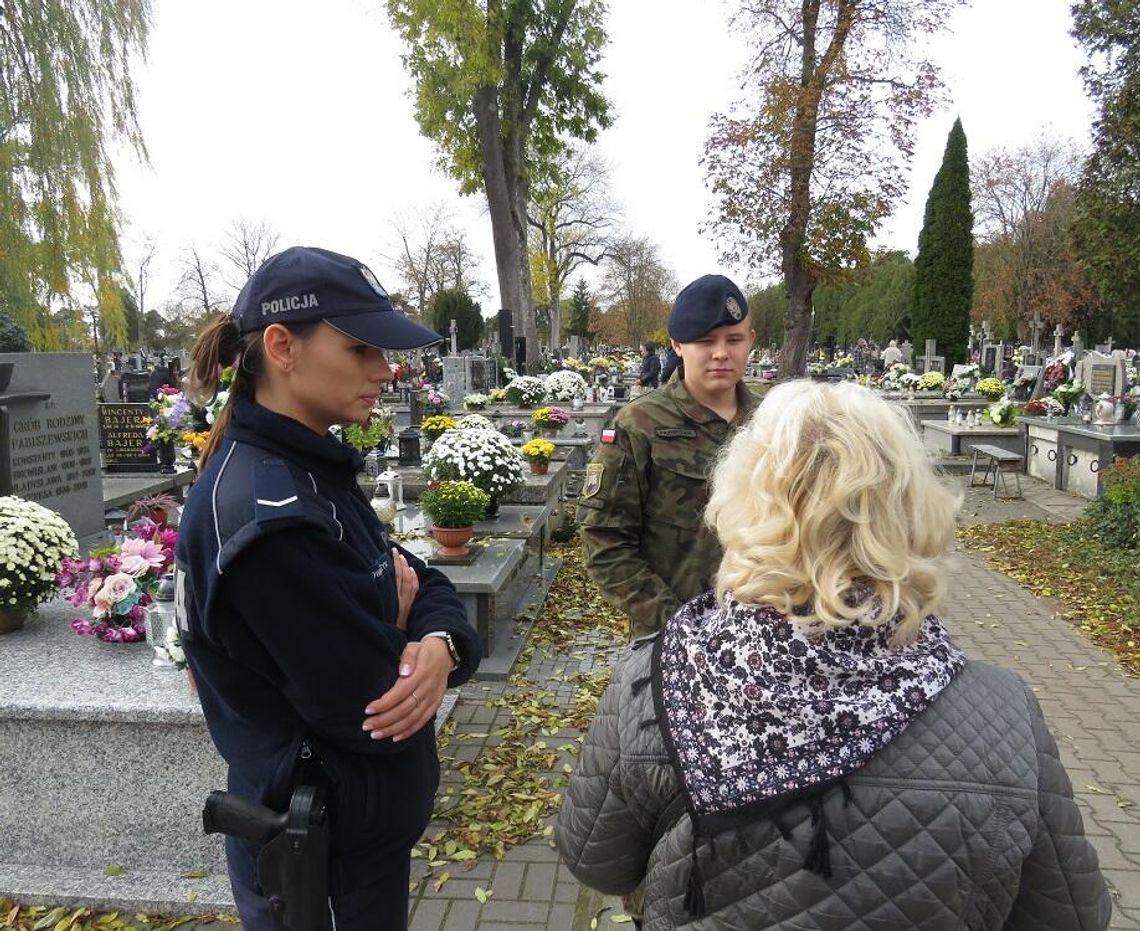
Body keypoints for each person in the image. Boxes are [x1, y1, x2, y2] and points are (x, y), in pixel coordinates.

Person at [558, 381, 1111, 930]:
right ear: (912, 508)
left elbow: (598, 862)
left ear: (742, 503)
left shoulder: (656, 682)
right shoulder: (1002, 713)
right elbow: (1071, 912)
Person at [174, 246, 481, 931]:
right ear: (282, 346)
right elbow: (371, 703)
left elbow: (418, 575)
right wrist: (405, 630)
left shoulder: (305, 468)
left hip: (353, 842)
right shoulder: (266, 516)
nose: (385, 369)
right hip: (319, 861)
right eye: (360, 348)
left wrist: (434, 638)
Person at [578, 274, 758, 641]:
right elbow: (604, 541)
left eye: (734, 340)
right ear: (677, 345)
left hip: (766, 639)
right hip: (671, 639)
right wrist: (677, 623)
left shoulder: (775, 422)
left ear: (750, 341)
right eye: (705, 342)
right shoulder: (639, 425)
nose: (722, 353)